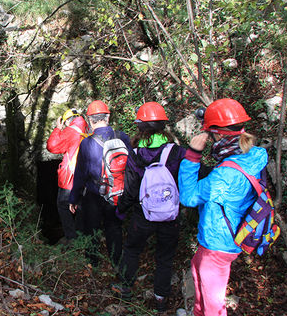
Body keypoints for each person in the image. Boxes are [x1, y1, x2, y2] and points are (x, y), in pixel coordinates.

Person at [179, 98, 267, 316]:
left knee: (213, 304)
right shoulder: (252, 155)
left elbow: (189, 197)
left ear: (217, 134)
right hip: (228, 233)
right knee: (196, 268)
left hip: (219, 242)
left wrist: (192, 155)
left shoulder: (225, 175)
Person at [114, 102, 186, 313]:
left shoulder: (135, 155)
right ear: (164, 125)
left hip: (143, 216)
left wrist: (121, 210)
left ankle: (126, 288)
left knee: (132, 250)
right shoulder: (178, 152)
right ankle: (161, 298)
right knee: (165, 257)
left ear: (139, 127)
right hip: (170, 217)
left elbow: (130, 191)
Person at [68, 100, 131, 267]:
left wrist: (73, 199)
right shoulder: (122, 137)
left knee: (91, 230)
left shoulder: (87, 143)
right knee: (114, 229)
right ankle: (117, 264)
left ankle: (92, 264)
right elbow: (132, 168)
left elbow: (80, 175)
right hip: (117, 193)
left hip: (94, 195)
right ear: (108, 117)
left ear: (90, 120)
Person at [46, 108, 89, 243]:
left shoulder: (71, 131)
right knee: (81, 205)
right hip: (87, 176)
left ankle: (71, 237)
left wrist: (58, 129)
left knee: (63, 205)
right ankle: (81, 234)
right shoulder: (88, 130)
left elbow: (52, 146)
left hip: (71, 178)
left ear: (67, 121)